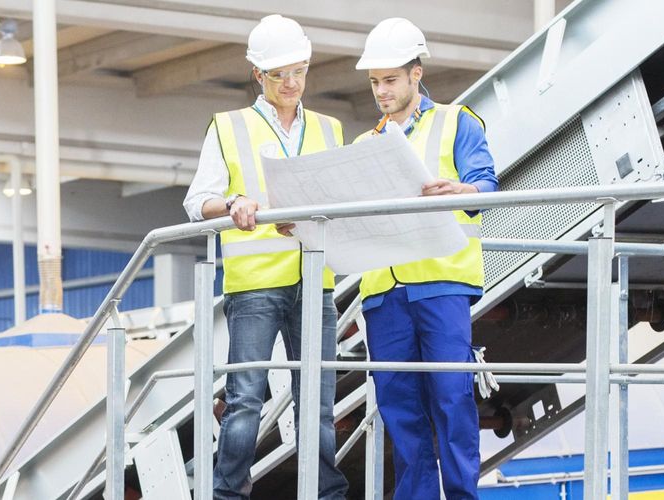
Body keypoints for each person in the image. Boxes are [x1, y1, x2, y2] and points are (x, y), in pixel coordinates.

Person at [181, 14, 349, 500]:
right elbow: (197, 202)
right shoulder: (229, 127)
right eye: (280, 75)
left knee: (317, 399)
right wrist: (234, 203)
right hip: (254, 283)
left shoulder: (329, 128)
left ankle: (326, 493)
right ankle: (228, 493)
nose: (292, 83)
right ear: (258, 75)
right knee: (246, 398)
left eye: (299, 71)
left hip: (316, 280)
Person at [351, 17, 499, 500]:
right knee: (399, 408)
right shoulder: (363, 145)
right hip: (383, 294)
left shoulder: (458, 121)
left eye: (390, 80)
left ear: (417, 73)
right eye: (375, 82)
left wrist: (461, 189)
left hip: (441, 285)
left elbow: (487, 190)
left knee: (452, 400)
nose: (381, 91)